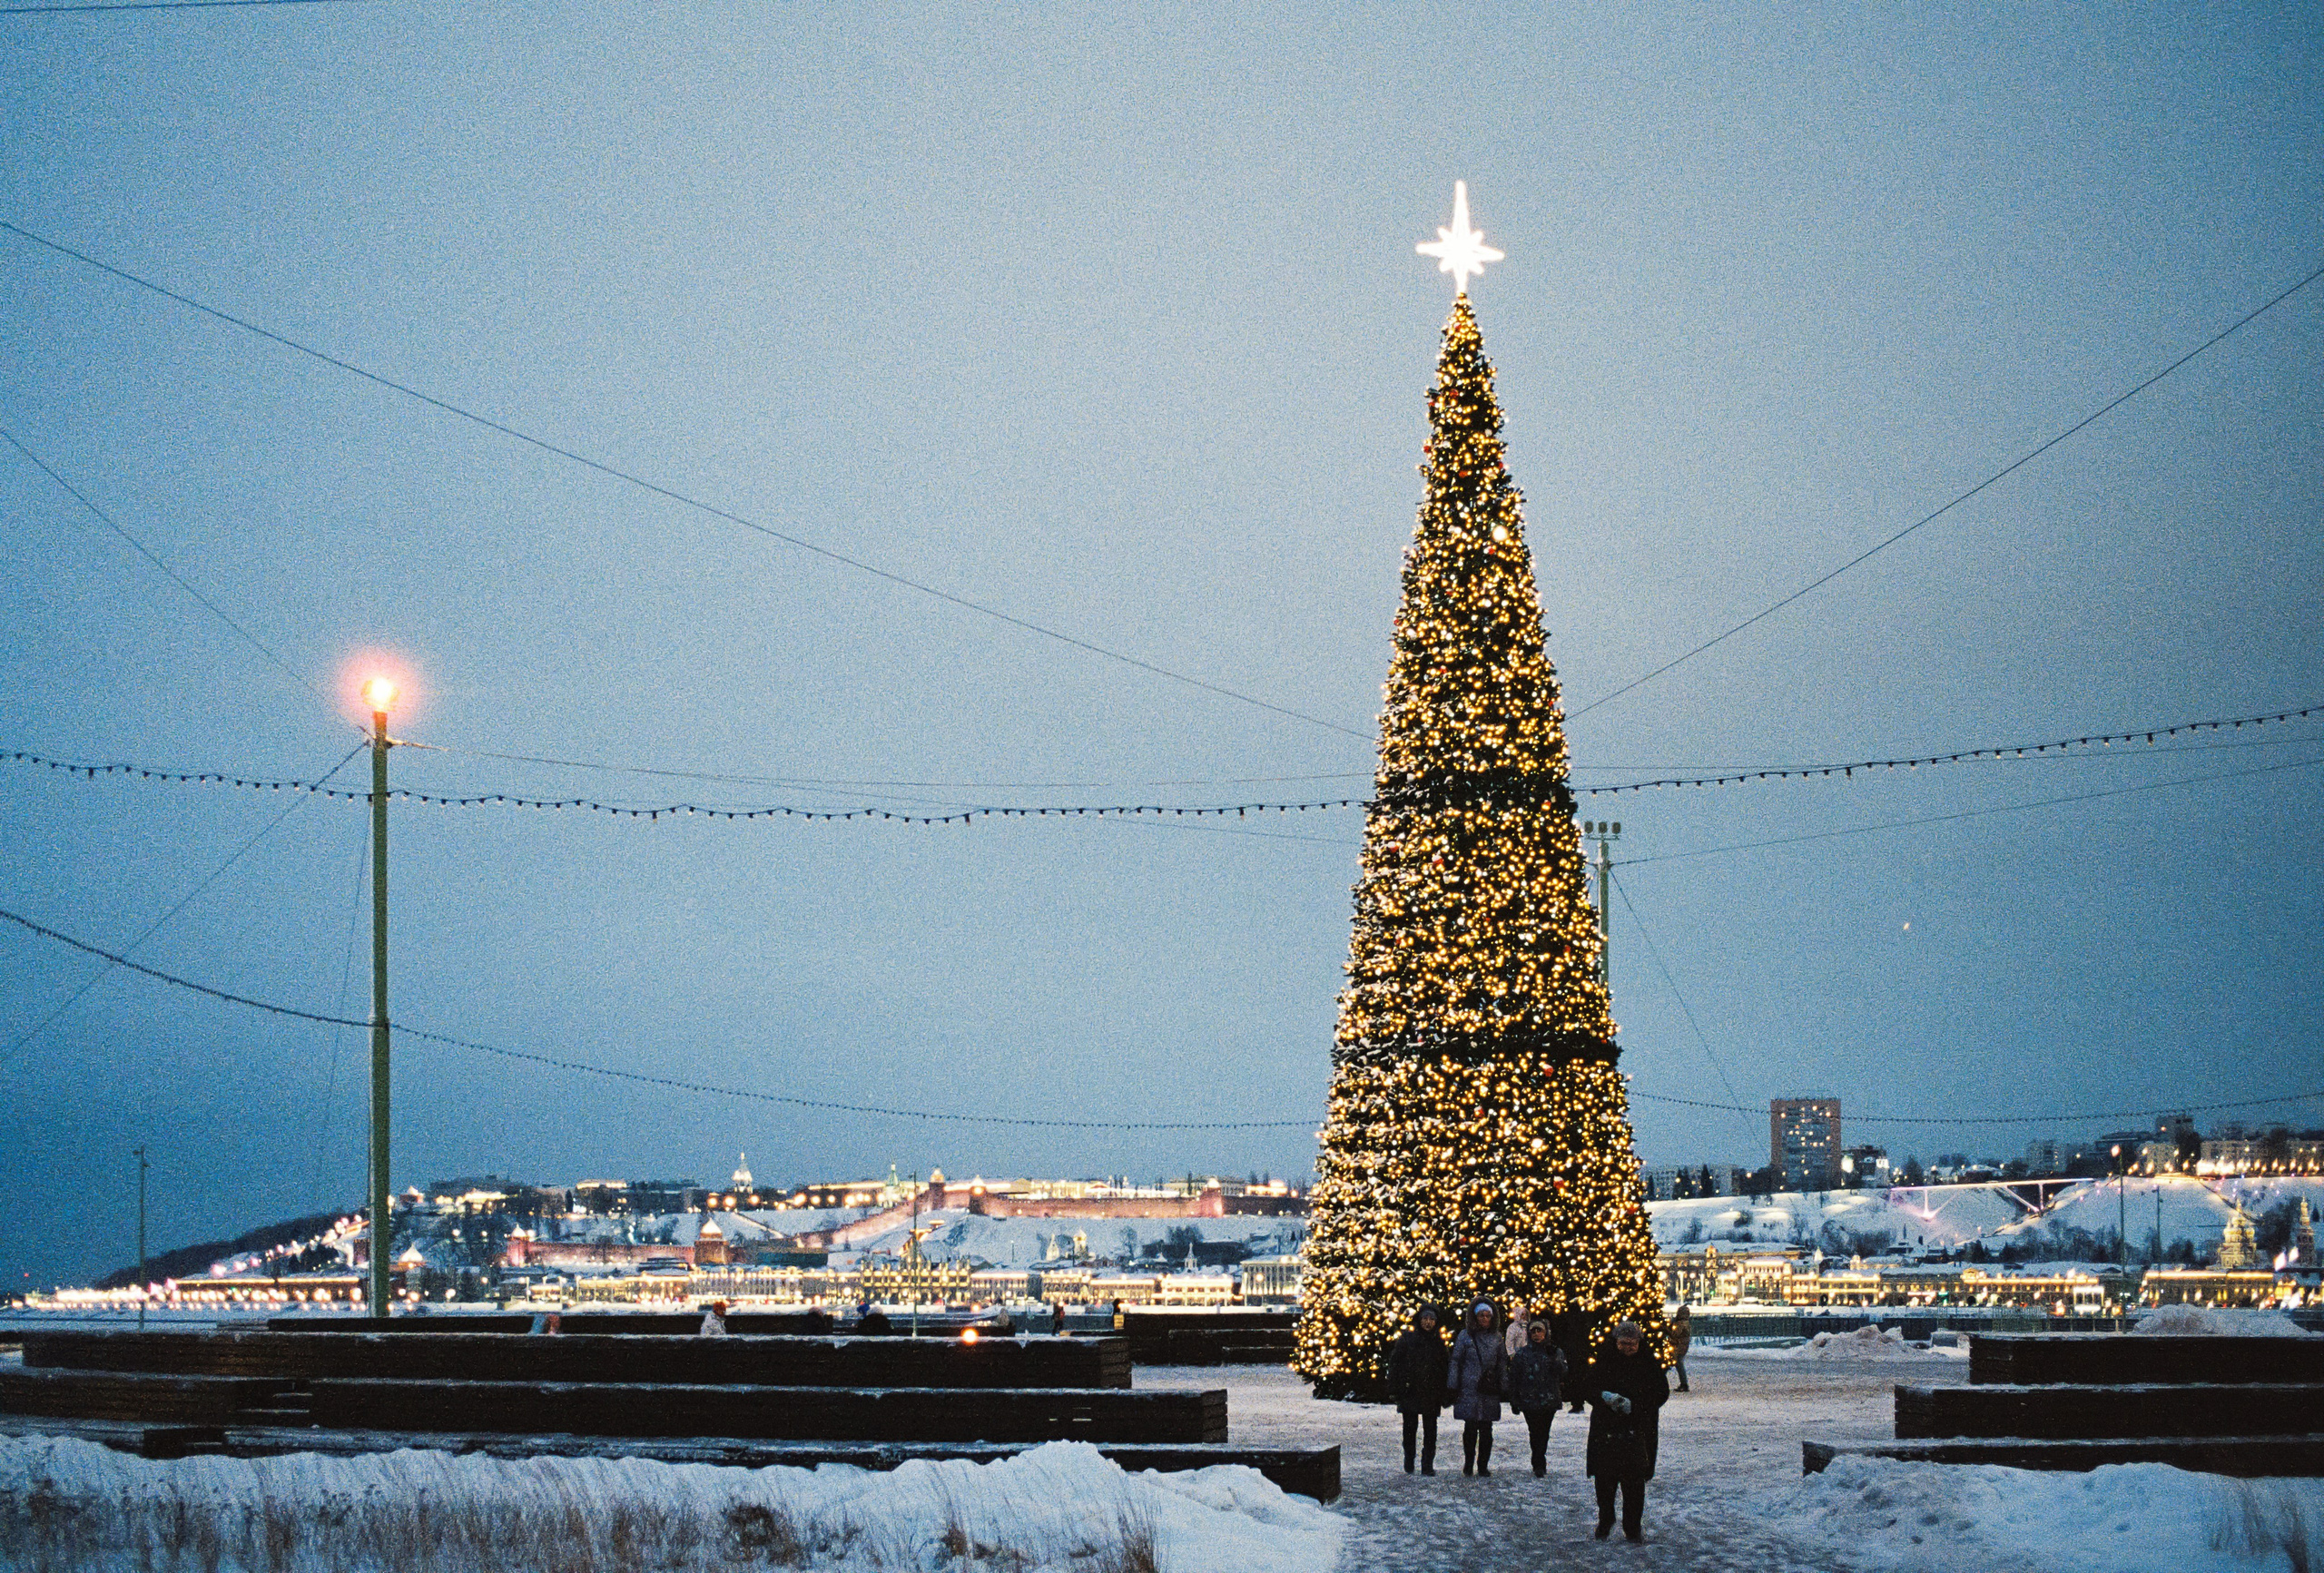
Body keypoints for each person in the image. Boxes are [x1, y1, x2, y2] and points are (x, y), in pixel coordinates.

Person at [1585, 1319, 1670, 1542]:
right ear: (1616, 1342)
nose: (1628, 1348)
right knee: (1605, 1481)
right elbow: (1588, 1387)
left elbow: (1661, 1392)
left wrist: (1638, 1405)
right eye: (1624, 1343)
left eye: (1632, 1344)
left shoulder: (1648, 1363)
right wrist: (1605, 1397)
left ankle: (1632, 1526)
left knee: (1634, 1483)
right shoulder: (1604, 1361)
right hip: (1607, 1430)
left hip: (1638, 1430)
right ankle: (1606, 1518)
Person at [1385, 1304, 1450, 1474]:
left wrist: (1445, 1392)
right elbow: (1396, 1364)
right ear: (1419, 1320)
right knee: (1409, 1429)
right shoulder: (1408, 1338)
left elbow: (1444, 1368)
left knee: (1430, 1431)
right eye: (1425, 1319)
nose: (1428, 1323)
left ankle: (1427, 1463)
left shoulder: (1438, 1343)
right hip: (1410, 1391)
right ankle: (1409, 1459)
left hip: (1431, 1392)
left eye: (1431, 1319)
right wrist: (1396, 1387)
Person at [1446, 1301, 1508, 1477]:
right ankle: (1468, 1463)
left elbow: (1502, 1362)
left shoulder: (1496, 1337)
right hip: (1469, 1387)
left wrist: (1504, 1384)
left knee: (1487, 1428)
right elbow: (1456, 1361)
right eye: (1482, 1315)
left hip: (1488, 1387)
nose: (1485, 1319)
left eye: (1488, 1315)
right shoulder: (1465, 1336)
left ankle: (1483, 1465)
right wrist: (1453, 1384)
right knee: (1470, 1427)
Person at [1508, 1319, 1568, 1477]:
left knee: (1544, 1432)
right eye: (1533, 1331)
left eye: (1539, 1331)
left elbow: (1563, 1372)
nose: (1536, 1334)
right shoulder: (1523, 1354)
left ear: (1545, 1333)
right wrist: (1514, 1399)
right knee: (1534, 1432)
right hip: (1529, 1400)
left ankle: (1539, 1460)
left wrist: (1554, 1358)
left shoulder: (1554, 1351)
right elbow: (1514, 1377)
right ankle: (1538, 1462)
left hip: (1548, 1399)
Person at [1553, 1309, 1591, 1412]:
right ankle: (1578, 1403)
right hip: (1579, 1354)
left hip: (1572, 1354)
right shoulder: (1582, 1323)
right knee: (1578, 1379)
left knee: (1574, 1379)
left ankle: (1577, 1403)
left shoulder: (1566, 1322)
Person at [1670, 1303, 1693, 1393]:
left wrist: (1671, 1325)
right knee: (1678, 1364)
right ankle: (1684, 1384)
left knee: (1678, 1364)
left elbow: (1675, 1333)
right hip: (1683, 1346)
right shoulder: (1686, 1323)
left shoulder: (1680, 1324)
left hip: (1678, 1346)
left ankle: (1684, 1384)